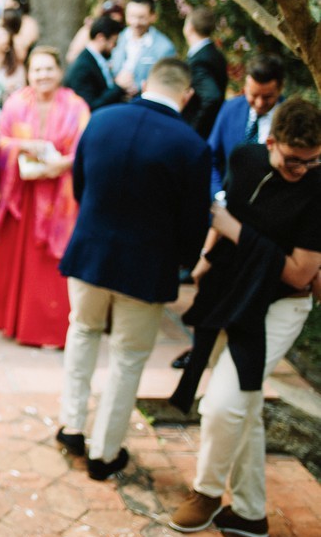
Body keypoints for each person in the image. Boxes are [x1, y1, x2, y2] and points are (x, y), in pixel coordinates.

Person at [167, 98, 321, 537]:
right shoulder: (245, 157)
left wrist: (236, 231)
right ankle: (252, 514)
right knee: (245, 407)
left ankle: (207, 492)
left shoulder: (318, 186)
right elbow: (226, 212)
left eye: (314, 161)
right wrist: (205, 259)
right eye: (295, 161)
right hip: (234, 293)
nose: (304, 170)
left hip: (281, 305)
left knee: (222, 405)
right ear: (271, 142)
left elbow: (299, 272)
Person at [56, 59, 210, 481]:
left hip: (90, 253)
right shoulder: (192, 145)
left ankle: (71, 426)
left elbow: (80, 186)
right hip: (146, 268)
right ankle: (104, 453)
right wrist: (179, 261)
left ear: (145, 83)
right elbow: (195, 222)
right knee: (128, 357)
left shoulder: (102, 119)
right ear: (187, 93)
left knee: (82, 332)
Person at [0, 48, 90, 348]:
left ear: (59, 72)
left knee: (49, 264)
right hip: (22, 195)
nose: (43, 75)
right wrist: (24, 146)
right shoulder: (16, 102)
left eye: (48, 69)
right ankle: (13, 323)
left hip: (59, 199)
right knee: (19, 258)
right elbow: (1, 140)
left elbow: (85, 149)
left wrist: (65, 164)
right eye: (37, 70)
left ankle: (49, 330)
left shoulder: (76, 106)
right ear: (29, 73)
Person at [207, 53, 285, 195]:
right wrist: (217, 194)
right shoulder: (230, 109)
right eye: (253, 95)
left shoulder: (290, 118)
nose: (259, 103)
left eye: (267, 97)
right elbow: (210, 157)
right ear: (245, 87)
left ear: (280, 89)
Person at [63, 15, 133, 111]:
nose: (114, 47)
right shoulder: (83, 67)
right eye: (114, 42)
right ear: (100, 38)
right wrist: (118, 87)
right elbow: (89, 107)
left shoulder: (97, 60)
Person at [179, 7, 227, 139]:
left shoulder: (199, 60)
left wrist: (194, 129)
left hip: (201, 133)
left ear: (190, 27)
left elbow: (212, 97)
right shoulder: (215, 53)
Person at [111, 0, 177, 86]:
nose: (135, 22)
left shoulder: (165, 47)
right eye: (131, 16)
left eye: (141, 17)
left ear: (153, 16)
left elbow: (167, 82)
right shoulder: (118, 38)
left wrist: (137, 87)